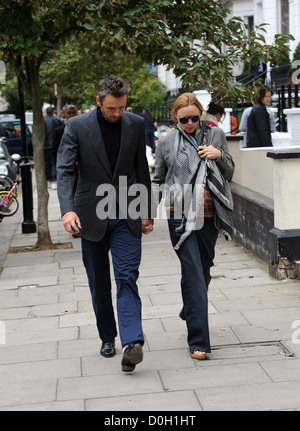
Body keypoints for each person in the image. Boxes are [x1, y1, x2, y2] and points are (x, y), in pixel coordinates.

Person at [56, 75, 154, 372]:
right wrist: (67, 210)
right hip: (89, 215)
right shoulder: (76, 126)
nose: (117, 113)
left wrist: (147, 209)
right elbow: (65, 171)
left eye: (122, 107)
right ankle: (107, 336)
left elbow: (141, 169)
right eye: (111, 108)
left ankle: (131, 343)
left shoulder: (135, 124)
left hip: (126, 214)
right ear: (99, 102)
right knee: (99, 282)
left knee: (127, 277)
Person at [152, 93, 234, 360]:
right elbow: (158, 179)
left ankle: (190, 308)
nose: (189, 123)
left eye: (194, 118)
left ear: (201, 114)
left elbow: (230, 171)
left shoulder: (215, 135)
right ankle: (199, 341)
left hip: (210, 213)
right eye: (183, 119)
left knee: (205, 268)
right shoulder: (166, 142)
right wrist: (146, 212)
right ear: (175, 117)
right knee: (194, 274)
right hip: (180, 214)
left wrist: (218, 154)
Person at [44, 106, 62, 189]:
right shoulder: (57, 121)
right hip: (54, 145)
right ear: (53, 112)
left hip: (45, 146)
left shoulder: (42, 121)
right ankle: (53, 180)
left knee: (46, 163)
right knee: (53, 162)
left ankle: (48, 179)